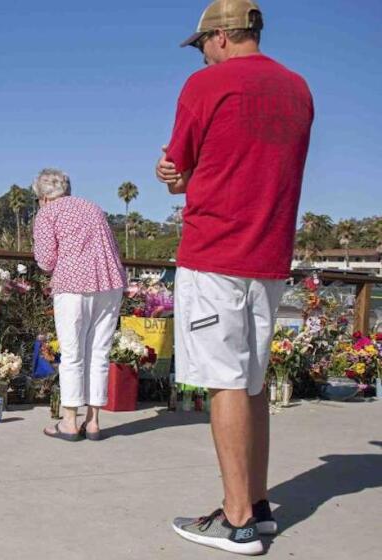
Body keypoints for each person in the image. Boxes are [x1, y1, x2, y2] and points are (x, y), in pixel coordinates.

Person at [155, 1, 313, 555]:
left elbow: (180, 168)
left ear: (220, 37)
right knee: (252, 382)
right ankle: (260, 504)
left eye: (201, 47)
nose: (201, 58)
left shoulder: (207, 86)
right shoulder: (298, 89)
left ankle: (237, 517)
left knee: (224, 380)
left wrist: (172, 174)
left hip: (215, 250)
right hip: (269, 255)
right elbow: (251, 163)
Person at [32, 168, 126, 442]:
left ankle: (70, 422)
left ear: (43, 197)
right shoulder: (92, 207)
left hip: (73, 285)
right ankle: (94, 421)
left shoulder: (48, 213)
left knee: (72, 354)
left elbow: (46, 261)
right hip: (110, 283)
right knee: (100, 353)